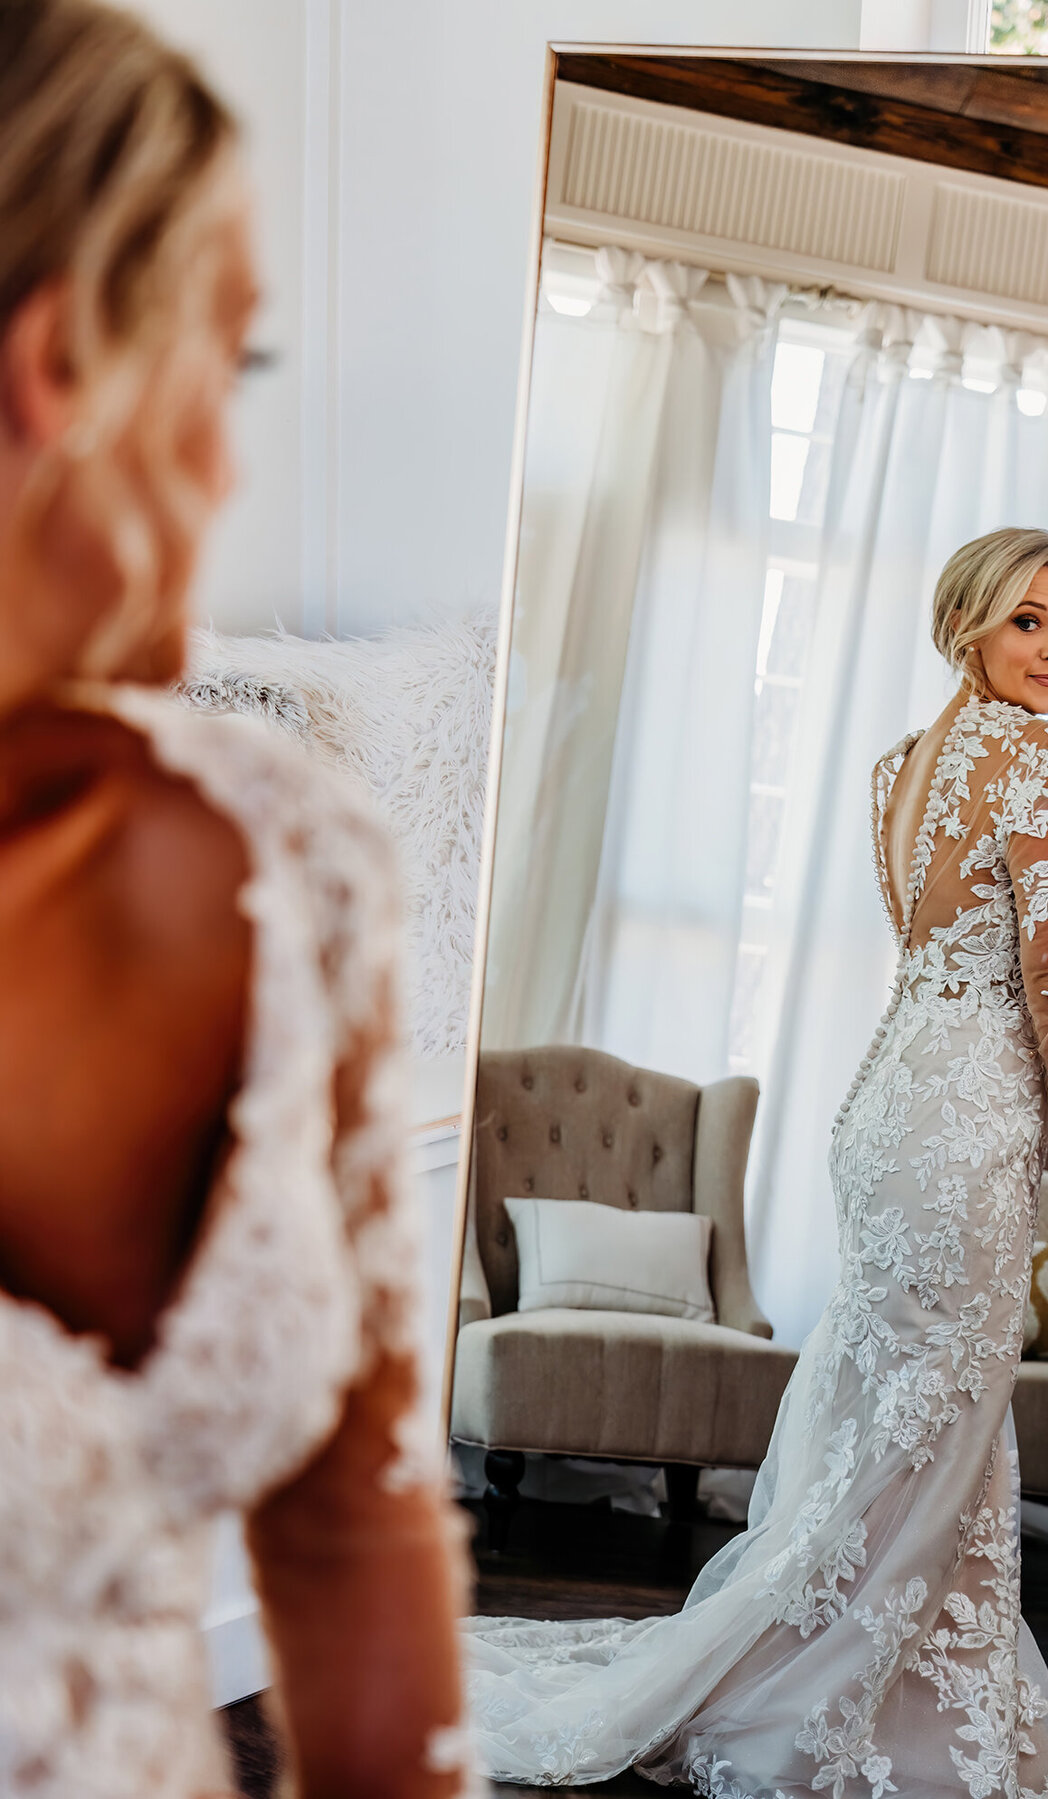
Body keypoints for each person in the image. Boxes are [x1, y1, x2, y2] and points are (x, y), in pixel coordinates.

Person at [0, 4, 476, 1795]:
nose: (223, 464)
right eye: (228, 368)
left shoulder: (292, 860)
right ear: (66, 367)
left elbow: (353, 1528)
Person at [464, 526, 1048, 1799]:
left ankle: (912, 1689)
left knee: (912, 1420)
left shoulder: (903, 766)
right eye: (1029, 620)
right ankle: (824, 1697)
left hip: (889, 1111)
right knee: (930, 1420)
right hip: (963, 1119)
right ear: (971, 624)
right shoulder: (1043, 758)